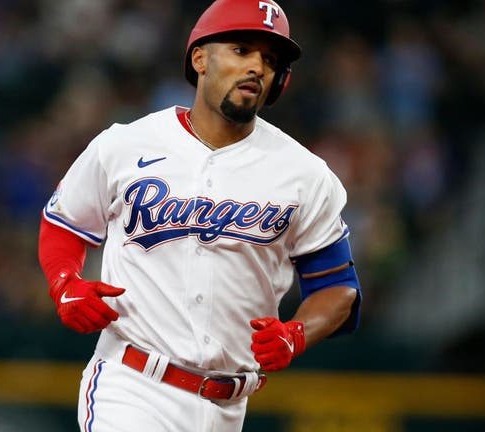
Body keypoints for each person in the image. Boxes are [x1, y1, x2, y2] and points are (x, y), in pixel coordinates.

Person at [38, 0, 362, 430]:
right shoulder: (126, 144)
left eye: (269, 59)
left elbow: (338, 288)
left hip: (229, 406)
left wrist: (295, 333)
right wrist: (65, 284)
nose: (257, 67)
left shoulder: (304, 174)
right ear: (200, 58)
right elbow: (65, 222)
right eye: (241, 49)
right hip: (132, 384)